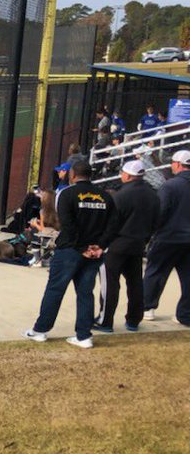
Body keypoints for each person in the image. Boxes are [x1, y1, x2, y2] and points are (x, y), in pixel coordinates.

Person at [24, 160, 114, 348]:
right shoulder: (105, 196)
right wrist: (99, 246)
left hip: (70, 250)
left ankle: (41, 330)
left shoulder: (67, 194)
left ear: (73, 175)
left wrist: (82, 248)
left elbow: (68, 224)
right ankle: (84, 335)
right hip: (93, 252)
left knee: (55, 289)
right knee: (85, 293)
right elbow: (113, 225)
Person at [95, 160, 159, 333]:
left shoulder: (120, 196)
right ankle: (133, 319)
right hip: (138, 244)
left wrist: (102, 243)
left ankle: (105, 320)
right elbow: (156, 222)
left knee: (110, 283)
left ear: (129, 175)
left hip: (117, 244)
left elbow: (111, 224)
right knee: (135, 283)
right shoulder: (153, 195)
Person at [142, 148, 190, 326]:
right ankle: (185, 314)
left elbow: (160, 213)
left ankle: (147, 307)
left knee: (155, 272)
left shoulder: (170, 186)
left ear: (177, 165)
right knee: (188, 278)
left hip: (168, 237)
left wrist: (152, 233)